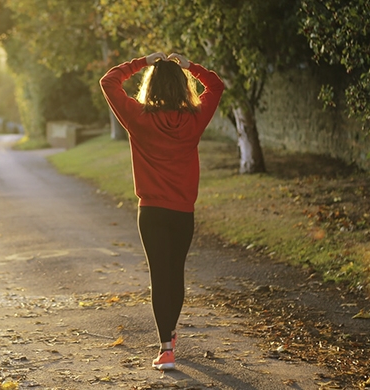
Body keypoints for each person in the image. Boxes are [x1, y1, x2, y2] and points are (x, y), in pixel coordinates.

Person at [100, 52, 224, 370]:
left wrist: (143, 61)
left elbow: (108, 81)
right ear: (183, 88)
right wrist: (190, 66)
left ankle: (166, 348)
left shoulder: (138, 117)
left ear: (150, 87)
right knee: (176, 273)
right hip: (183, 211)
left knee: (160, 275)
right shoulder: (195, 118)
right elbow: (217, 85)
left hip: (151, 211)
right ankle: (168, 335)